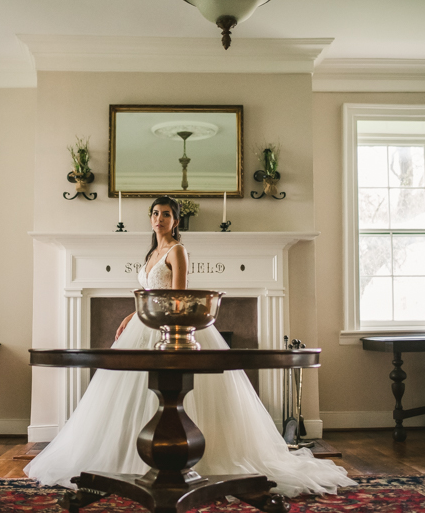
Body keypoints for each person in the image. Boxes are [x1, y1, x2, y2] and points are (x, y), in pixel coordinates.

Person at [25, 196, 355, 497]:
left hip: (170, 328)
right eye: (155, 213)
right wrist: (130, 316)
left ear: (176, 220)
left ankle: (179, 459)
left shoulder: (176, 251)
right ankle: (133, 457)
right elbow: (148, 293)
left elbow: (177, 296)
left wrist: (157, 324)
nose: (158, 218)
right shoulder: (152, 252)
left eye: (166, 214)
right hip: (144, 323)